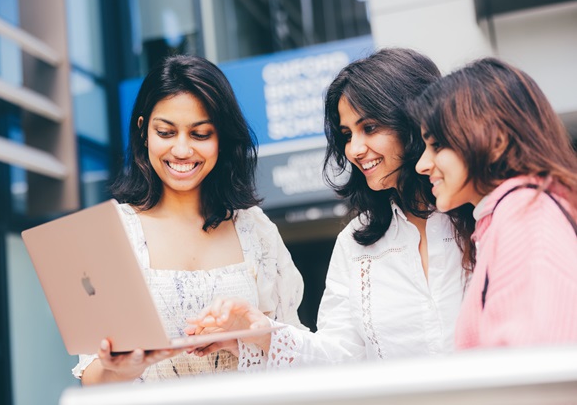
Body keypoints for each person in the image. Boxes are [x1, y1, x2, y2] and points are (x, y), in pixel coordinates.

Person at [188, 48, 474, 368]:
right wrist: (261, 333)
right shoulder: (355, 243)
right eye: (347, 135)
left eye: (370, 128)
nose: (354, 149)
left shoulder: (481, 215)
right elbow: (337, 356)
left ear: (414, 120)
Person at [72, 55, 305, 384]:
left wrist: (248, 336)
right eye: (166, 132)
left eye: (200, 134)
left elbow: (295, 356)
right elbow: (91, 378)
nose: (181, 151)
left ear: (222, 138)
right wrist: (120, 368)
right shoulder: (115, 232)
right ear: (143, 131)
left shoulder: (256, 230)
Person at [411, 57, 577, 348]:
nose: (422, 165)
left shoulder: (526, 215)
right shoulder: (514, 213)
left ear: (496, 140)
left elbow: (540, 369)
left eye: (437, 145)